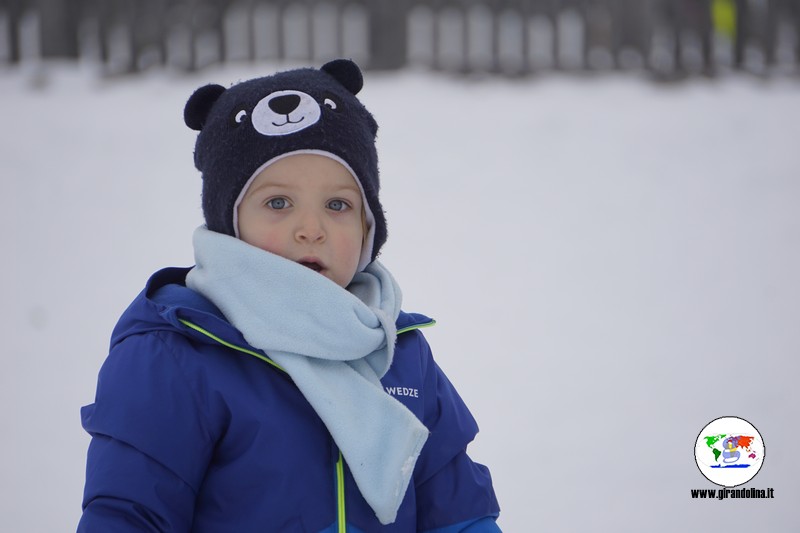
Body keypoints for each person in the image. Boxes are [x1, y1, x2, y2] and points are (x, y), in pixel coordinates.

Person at [78, 59, 501, 532]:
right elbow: (128, 515)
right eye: (278, 203)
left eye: (338, 205)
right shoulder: (176, 356)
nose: (311, 229)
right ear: (230, 223)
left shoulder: (398, 352)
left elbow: (460, 513)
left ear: (368, 226)